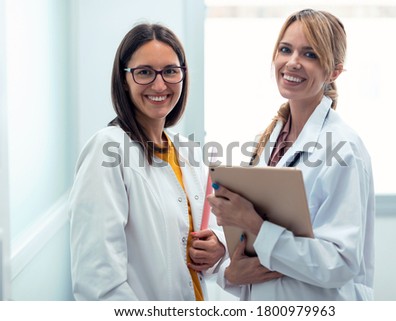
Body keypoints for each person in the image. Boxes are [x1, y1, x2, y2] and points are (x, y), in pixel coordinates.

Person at [208, 9, 375, 300]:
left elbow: (341, 263)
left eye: (310, 54)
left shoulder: (343, 148)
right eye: (286, 49)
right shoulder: (266, 142)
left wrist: (254, 224)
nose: (292, 62)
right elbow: (256, 243)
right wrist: (225, 262)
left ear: (334, 71)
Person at [68, 23, 226, 300]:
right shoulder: (108, 149)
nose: (159, 84)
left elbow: (207, 234)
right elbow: (98, 282)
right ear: (124, 79)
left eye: (170, 71)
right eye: (144, 72)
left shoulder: (186, 151)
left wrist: (218, 246)